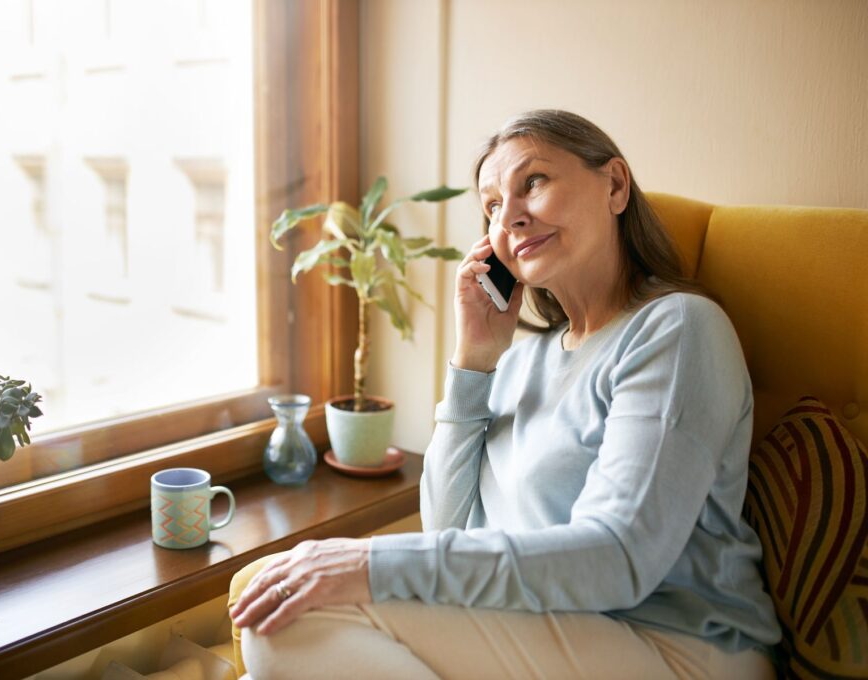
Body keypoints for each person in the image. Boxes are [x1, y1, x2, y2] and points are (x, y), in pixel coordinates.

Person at [229, 110, 781, 679]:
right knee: (273, 637)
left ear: (614, 186)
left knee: (285, 628)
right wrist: (473, 362)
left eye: (533, 183)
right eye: (491, 206)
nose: (510, 216)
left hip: (678, 646)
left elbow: (617, 557)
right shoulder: (520, 362)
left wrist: (367, 561)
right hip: (545, 625)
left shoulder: (677, 329)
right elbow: (445, 529)